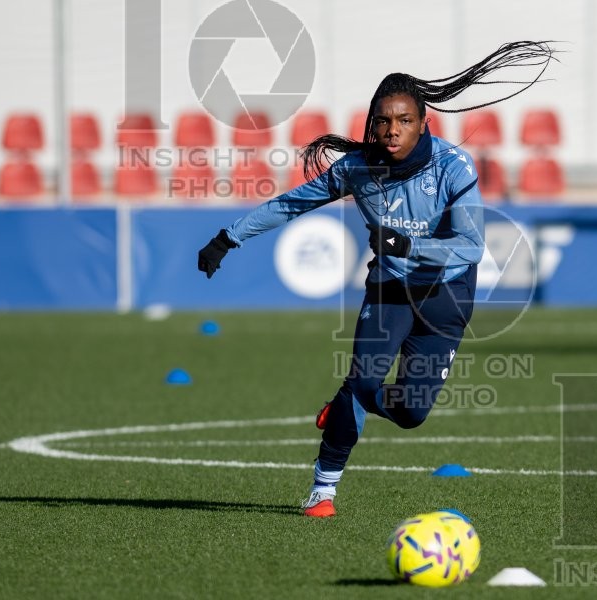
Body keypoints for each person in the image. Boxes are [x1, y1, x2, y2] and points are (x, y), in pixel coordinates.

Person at [197, 41, 556, 517]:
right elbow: (291, 203)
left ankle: (347, 400)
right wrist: (228, 236)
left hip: (445, 298)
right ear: (371, 124)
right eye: (383, 121)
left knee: (410, 414)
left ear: (424, 122)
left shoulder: (453, 167)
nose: (392, 130)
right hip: (388, 293)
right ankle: (323, 490)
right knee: (364, 383)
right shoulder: (356, 169)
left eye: (404, 120)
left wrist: (410, 246)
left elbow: (470, 247)